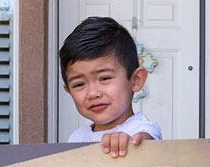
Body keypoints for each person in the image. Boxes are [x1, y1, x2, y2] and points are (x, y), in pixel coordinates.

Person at [60, 16, 161, 157]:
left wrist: (132, 144)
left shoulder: (141, 129)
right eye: (79, 84)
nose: (93, 93)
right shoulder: (76, 138)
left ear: (136, 80)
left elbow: (147, 143)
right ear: (69, 91)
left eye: (104, 78)